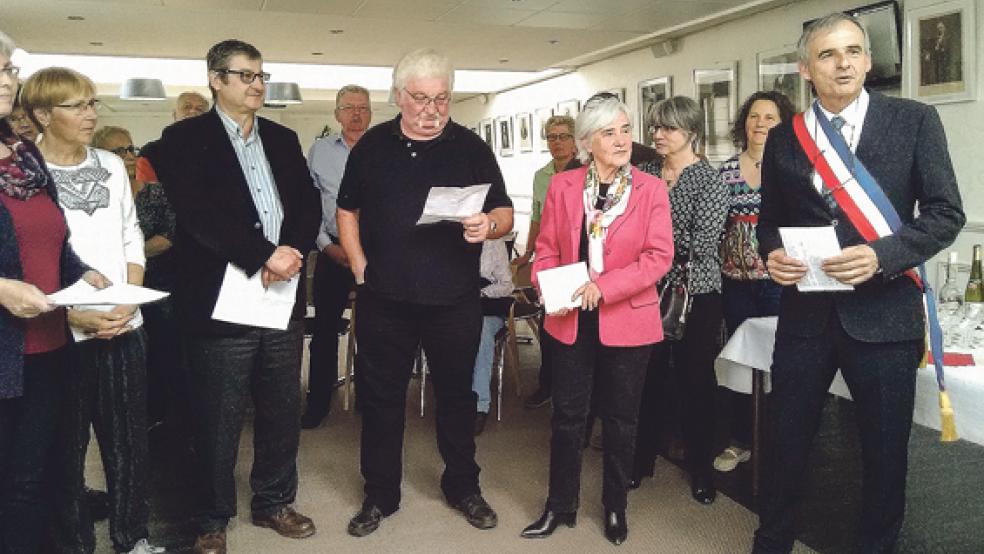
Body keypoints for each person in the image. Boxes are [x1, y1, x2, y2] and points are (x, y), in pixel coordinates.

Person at [753, 14, 964, 553]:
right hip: (805, 318)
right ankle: (772, 541)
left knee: (884, 452)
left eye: (853, 51)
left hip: (884, 317)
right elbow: (769, 221)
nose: (843, 63)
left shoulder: (914, 120)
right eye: (828, 54)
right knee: (786, 441)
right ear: (806, 68)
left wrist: (881, 255)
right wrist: (771, 254)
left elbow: (945, 213)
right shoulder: (785, 137)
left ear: (868, 61)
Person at [336, 47, 513, 538]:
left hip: (454, 299)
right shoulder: (372, 146)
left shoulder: (470, 147)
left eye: (442, 98)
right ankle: (380, 495)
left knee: (457, 396)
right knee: (381, 399)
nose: (432, 109)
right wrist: (359, 266)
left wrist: (489, 225)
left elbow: (503, 211)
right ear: (398, 96)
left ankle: (463, 486)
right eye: (420, 98)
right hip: (385, 298)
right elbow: (347, 210)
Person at [156, 39, 321, 554]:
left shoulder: (282, 137)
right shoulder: (184, 138)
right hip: (221, 295)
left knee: (280, 409)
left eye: (261, 75)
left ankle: (274, 501)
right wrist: (264, 255)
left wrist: (290, 253)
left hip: (281, 293)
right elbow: (199, 216)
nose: (257, 85)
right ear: (215, 79)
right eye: (245, 75)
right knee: (217, 415)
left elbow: (308, 203)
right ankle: (210, 516)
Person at [520, 94, 673, 546]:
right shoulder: (564, 186)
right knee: (568, 416)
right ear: (588, 143)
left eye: (626, 130)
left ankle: (615, 507)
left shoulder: (650, 188)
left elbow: (658, 256)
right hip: (571, 317)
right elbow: (547, 248)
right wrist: (547, 286)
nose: (622, 140)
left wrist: (605, 287)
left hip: (627, 317)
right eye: (610, 133)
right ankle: (559, 505)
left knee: (621, 418)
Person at [22, 67, 162, 554]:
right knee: (66, 450)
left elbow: (130, 234)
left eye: (92, 103)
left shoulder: (110, 163)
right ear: (43, 114)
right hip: (61, 332)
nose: (90, 114)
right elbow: (23, 258)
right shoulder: (24, 171)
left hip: (125, 323)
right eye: (77, 106)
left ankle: (133, 538)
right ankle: (73, 544)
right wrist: (70, 316)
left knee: (129, 444)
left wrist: (130, 299)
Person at [0, 32, 107, 554]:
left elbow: (50, 237)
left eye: (10, 69)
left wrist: (82, 273)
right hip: (6, 349)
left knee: (36, 479)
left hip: (47, 345)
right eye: (0, 70)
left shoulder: (22, 153)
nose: (9, 79)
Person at [632, 96, 729, 505]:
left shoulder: (710, 181)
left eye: (668, 127)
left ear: (691, 132)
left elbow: (703, 246)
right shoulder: (644, 173)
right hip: (645, 290)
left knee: (695, 380)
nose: (657, 134)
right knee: (646, 377)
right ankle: (641, 460)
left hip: (696, 293)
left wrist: (651, 240)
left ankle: (701, 468)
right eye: (655, 127)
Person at [713, 91, 794, 473]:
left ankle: (779, 442)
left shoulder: (792, 169)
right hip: (736, 283)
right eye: (754, 116)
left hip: (780, 282)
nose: (760, 124)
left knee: (782, 362)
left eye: (769, 118)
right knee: (742, 362)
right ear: (743, 122)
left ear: (783, 124)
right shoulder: (726, 171)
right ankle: (741, 440)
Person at [302, 84, 372, 429]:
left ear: (370, 113)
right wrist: (325, 245)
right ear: (337, 114)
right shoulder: (319, 151)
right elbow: (309, 203)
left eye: (362, 108)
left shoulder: (384, 148)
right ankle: (318, 401)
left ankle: (370, 401)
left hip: (375, 254)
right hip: (332, 250)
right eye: (349, 108)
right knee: (325, 331)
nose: (356, 114)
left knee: (375, 331)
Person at [514, 114, 576, 410]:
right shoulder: (542, 176)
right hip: (552, 261)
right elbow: (537, 218)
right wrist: (528, 252)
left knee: (577, 329)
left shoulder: (586, 171)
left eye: (563, 136)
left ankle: (575, 390)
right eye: (552, 137)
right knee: (550, 324)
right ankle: (548, 384)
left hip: (578, 261)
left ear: (575, 141)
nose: (557, 142)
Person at [471, 238, 514, 435]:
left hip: (487, 306)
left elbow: (507, 285)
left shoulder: (494, 242)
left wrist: (480, 293)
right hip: (456, 305)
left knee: (480, 334)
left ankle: (480, 405)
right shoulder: (448, 235)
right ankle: (453, 399)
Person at [136, 91, 209, 185]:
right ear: (175, 114)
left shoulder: (217, 153)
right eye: (187, 107)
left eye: (200, 109)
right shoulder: (151, 152)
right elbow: (144, 190)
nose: (193, 112)